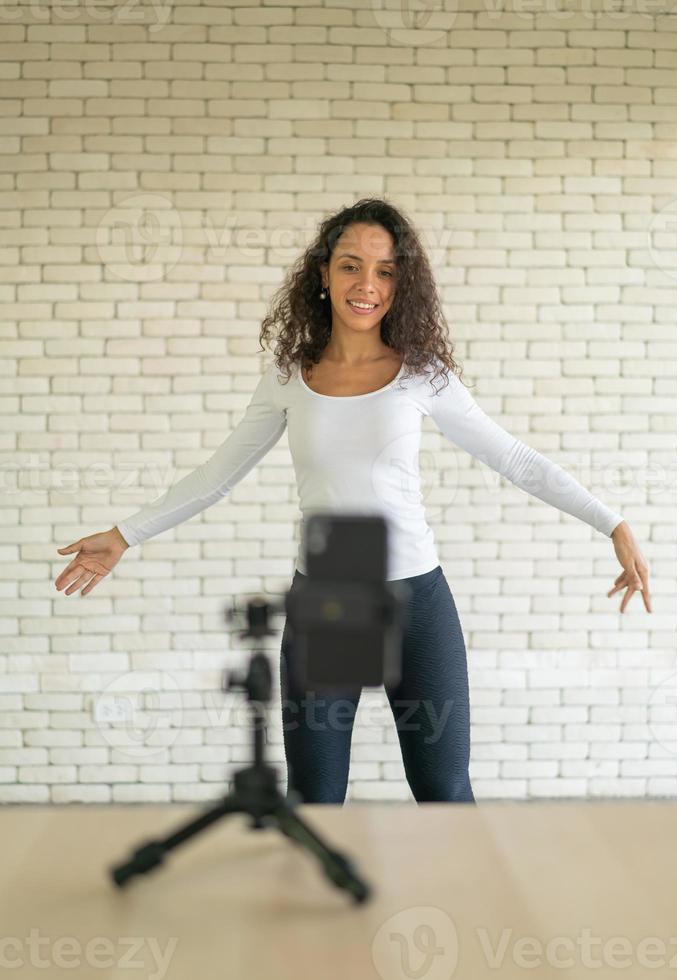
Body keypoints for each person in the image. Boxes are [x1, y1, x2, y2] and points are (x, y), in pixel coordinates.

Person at [55, 196, 652, 806]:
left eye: (386, 270)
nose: (367, 284)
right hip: (329, 601)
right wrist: (125, 533)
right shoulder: (290, 376)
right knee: (316, 796)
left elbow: (514, 458)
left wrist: (612, 523)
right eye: (350, 265)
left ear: (402, 283)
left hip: (416, 600)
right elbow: (218, 474)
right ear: (323, 273)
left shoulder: (423, 374)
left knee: (445, 790)